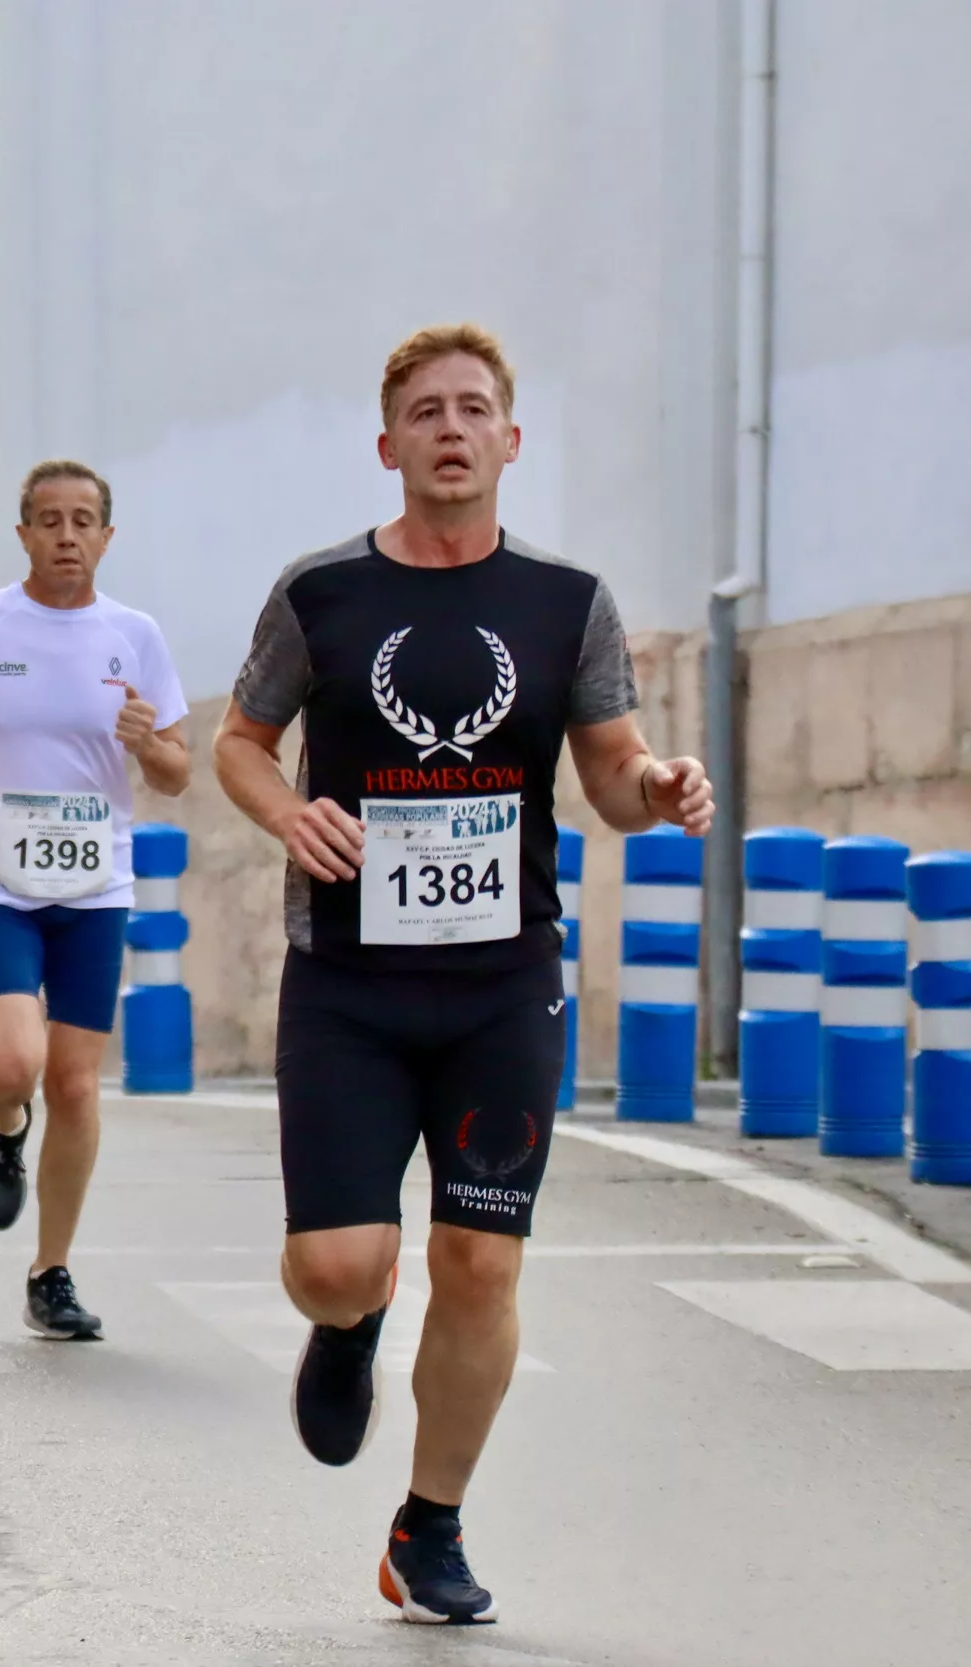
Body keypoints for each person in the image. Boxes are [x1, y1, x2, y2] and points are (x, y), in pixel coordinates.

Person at [213, 324, 714, 1627]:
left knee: (484, 1261)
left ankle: (427, 1525)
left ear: (508, 438)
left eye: (473, 407)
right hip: (349, 985)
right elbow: (239, 742)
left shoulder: (568, 604)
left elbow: (608, 770)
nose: (450, 426)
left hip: (503, 984)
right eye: (425, 410)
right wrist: (285, 812)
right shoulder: (320, 594)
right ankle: (348, 1321)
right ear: (389, 446)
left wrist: (654, 787)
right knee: (336, 1258)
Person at [0, 459, 191, 1340]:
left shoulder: (136, 636)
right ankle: (4, 1126)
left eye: (84, 521)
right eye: (49, 520)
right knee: (11, 1065)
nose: (67, 535)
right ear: (24, 532)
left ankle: (51, 1270)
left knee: (74, 1084)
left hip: (93, 885)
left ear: (108, 536)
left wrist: (153, 747)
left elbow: (180, 773)